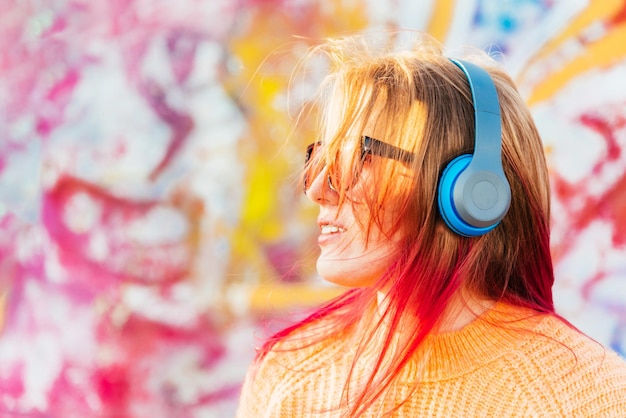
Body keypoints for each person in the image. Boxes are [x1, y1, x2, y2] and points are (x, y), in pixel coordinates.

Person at [236, 32, 626, 417]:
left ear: (468, 189)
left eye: (358, 158)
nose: (318, 189)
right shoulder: (287, 373)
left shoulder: (590, 397)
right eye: (322, 158)